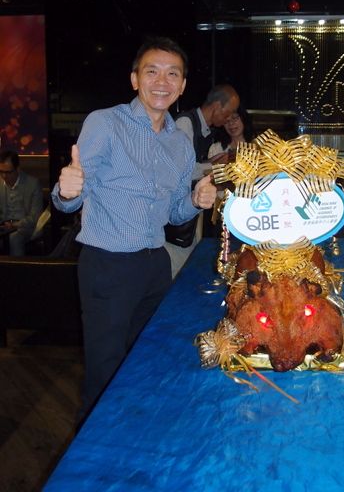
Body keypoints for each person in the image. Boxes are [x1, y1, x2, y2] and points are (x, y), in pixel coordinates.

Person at [51, 35, 217, 420]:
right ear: (134, 79)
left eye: (172, 74)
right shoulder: (105, 123)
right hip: (108, 265)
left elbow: (174, 213)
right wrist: (67, 191)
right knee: (104, 371)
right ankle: (95, 449)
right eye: (152, 71)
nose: (162, 81)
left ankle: (137, 433)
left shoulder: (180, 143)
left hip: (155, 264)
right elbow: (70, 198)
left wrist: (194, 201)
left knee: (147, 360)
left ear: (182, 85)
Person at [165, 84, 239, 274]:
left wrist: (211, 163)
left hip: (190, 216)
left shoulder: (204, 130)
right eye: (228, 113)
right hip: (176, 220)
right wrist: (216, 167)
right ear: (217, 106)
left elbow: (193, 163)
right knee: (179, 272)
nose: (228, 119)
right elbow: (181, 172)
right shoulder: (185, 124)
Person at [0, 149, 43, 256]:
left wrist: (15, 225)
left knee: (14, 239)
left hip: (24, 227)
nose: (4, 176)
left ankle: (17, 266)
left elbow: (35, 217)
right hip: (3, 226)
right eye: (1, 171)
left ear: (17, 169)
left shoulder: (33, 184)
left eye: (8, 172)